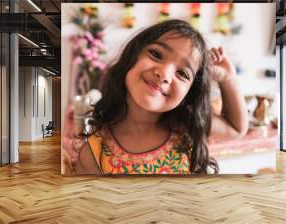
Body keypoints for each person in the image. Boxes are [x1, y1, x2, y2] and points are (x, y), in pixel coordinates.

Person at [63, 19, 248, 175]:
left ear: (188, 94)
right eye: (156, 54)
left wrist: (228, 78)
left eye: (183, 74)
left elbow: (236, 129)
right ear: (131, 58)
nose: (164, 74)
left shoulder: (187, 126)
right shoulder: (94, 152)